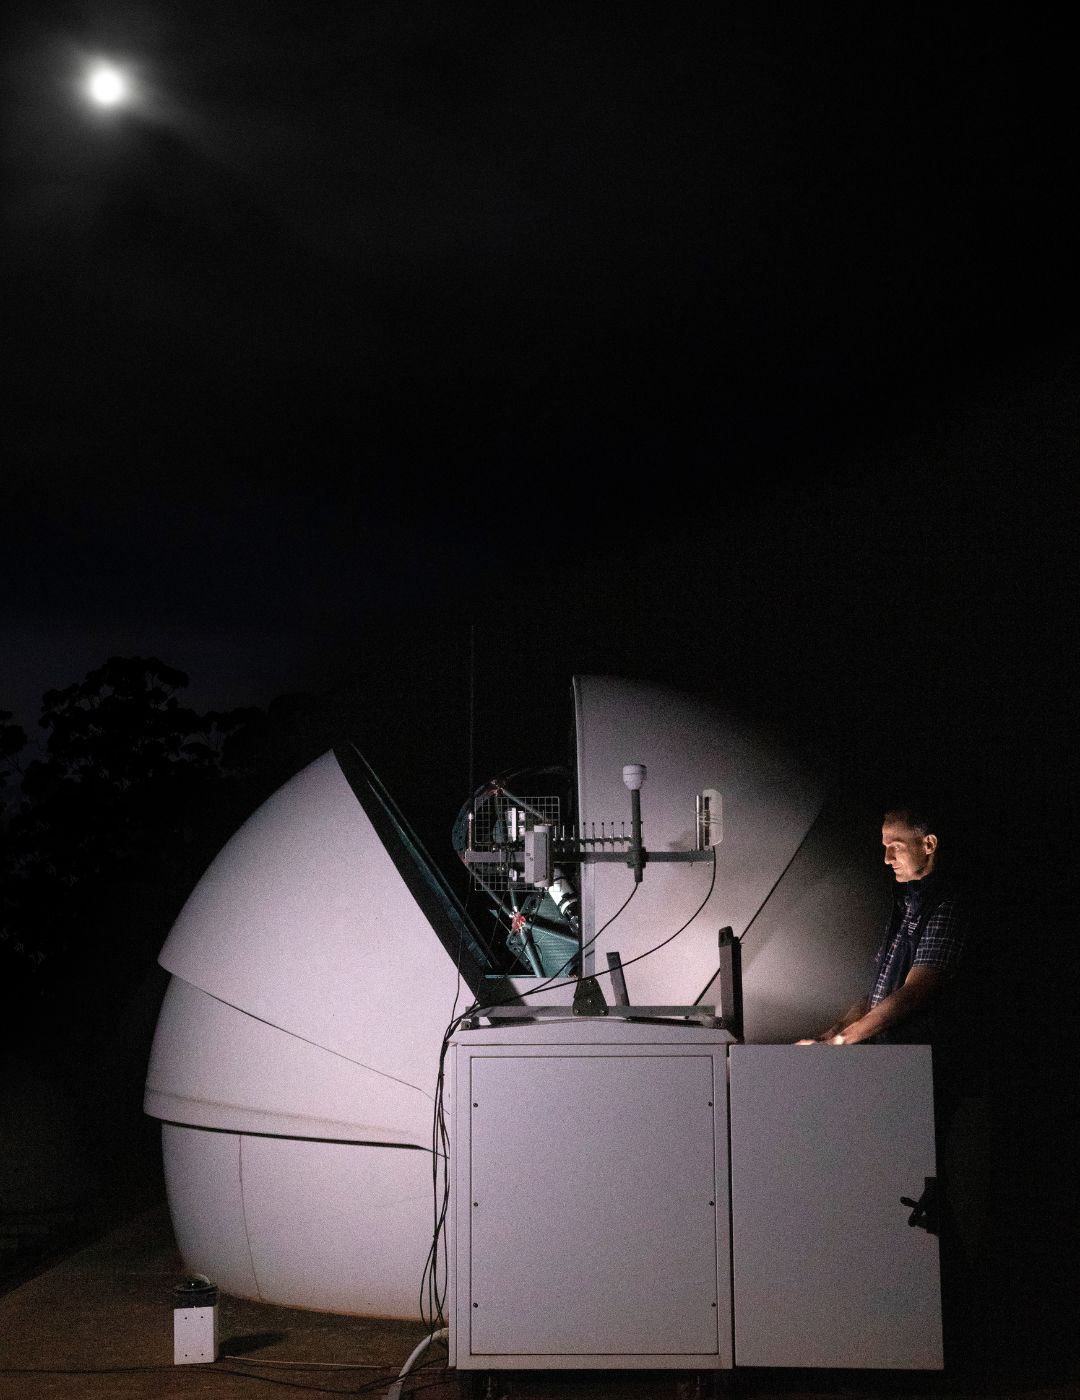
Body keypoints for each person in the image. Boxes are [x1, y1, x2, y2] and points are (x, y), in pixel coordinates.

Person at [797, 803, 965, 1053]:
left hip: (919, 1064)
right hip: (894, 1058)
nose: (887, 859)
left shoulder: (946, 905)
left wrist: (838, 1042)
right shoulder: (906, 904)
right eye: (885, 848)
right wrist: (829, 1037)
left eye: (896, 847)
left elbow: (913, 993)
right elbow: (877, 995)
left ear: (929, 844)